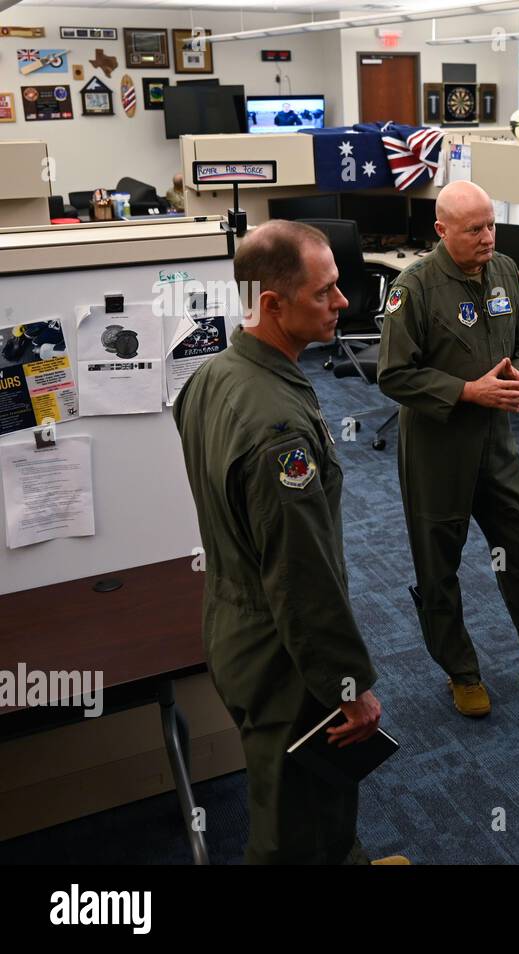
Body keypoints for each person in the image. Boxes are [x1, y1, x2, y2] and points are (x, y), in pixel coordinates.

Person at [174, 220, 398, 865]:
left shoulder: (213, 376)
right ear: (272, 304)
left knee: (318, 797)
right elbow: (301, 577)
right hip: (284, 652)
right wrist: (348, 684)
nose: (343, 302)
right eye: (325, 291)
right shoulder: (277, 429)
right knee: (291, 827)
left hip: (235, 622)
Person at [378, 180, 519, 718]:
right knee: (439, 566)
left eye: (491, 225)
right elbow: (393, 374)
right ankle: (461, 672)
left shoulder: (506, 271)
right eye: (474, 229)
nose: (488, 237)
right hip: (437, 447)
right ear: (442, 231)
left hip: (495, 444)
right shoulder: (413, 288)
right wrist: (467, 391)